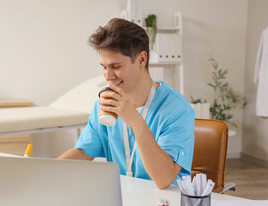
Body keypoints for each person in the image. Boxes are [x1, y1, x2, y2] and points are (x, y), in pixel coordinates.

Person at [59, 18, 195, 189]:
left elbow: (164, 179)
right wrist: (42, 172)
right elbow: (84, 151)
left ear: (141, 59)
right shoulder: (105, 104)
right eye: (104, 67)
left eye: (115, 66)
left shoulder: (177, 110)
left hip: (166, 205)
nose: (107, 76)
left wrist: (135, 121)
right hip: (122, 200)